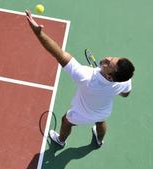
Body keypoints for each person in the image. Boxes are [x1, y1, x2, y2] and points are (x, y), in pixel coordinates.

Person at [25, 10, 135, 148]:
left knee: (66, 120)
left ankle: (60, 140)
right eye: (112, 58)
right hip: (103, 111)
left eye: (108, 63)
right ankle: (99, 141)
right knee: (101, 121)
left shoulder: (85, 76)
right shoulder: (124, 80)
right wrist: (112, 90)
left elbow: (58, 53)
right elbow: (125, 94)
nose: (107, 58)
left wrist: (38, 33)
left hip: (83, 114)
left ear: (109, 76)